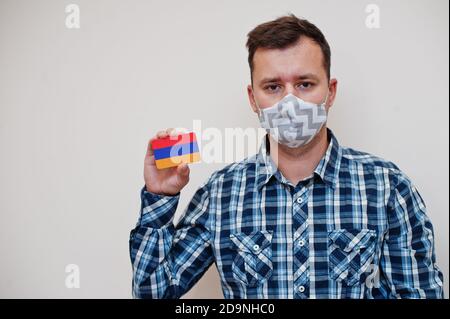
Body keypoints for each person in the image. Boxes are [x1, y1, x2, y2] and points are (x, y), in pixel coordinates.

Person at [129, 14, 444, 299]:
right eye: (273, 87)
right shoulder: (221, 192)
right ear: (253, 98)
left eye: (305, 84)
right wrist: (160, 198)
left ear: (330, 91)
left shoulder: (387, 187)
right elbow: (152, 293)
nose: (290, 102)